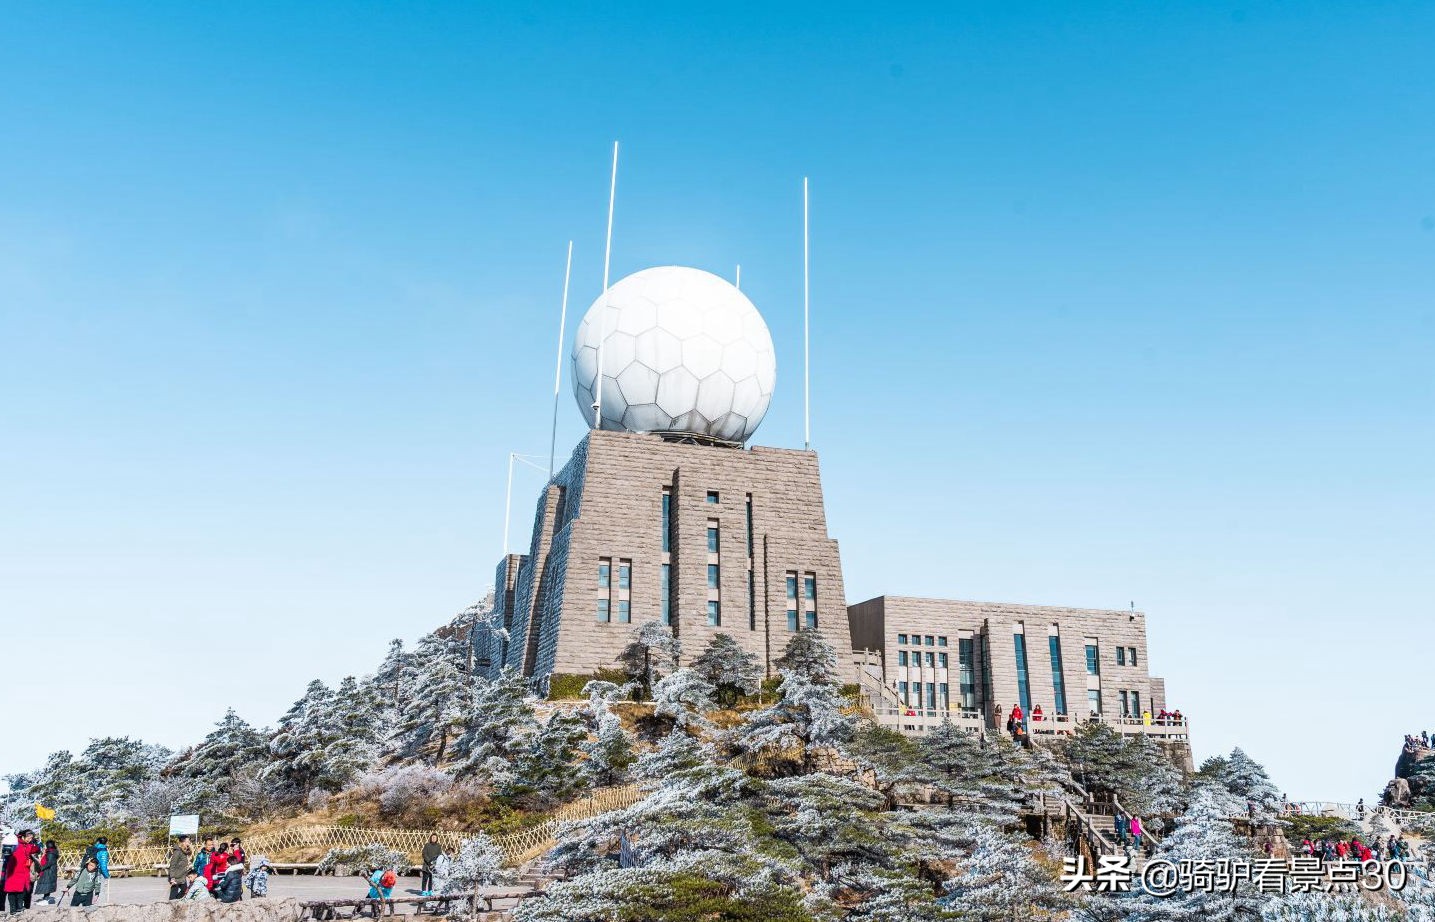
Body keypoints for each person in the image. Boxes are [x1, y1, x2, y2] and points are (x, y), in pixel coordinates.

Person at [2, 829, 40, 913]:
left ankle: (19, 906)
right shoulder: (14, 843)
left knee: (22, 889)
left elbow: (36, 850)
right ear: (23, 836)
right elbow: (6, 852)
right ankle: (12, 909)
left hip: (24, 871)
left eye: (31, 838)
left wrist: (36, 844)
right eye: (29, 838)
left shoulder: (28, 845)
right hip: (13, 870)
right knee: (12, 890)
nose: (30, 839)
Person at [167, 836, 193, 900]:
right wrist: (172, 877)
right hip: (175, 877)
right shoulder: (177, 852)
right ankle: (171, 906)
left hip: (182, 876)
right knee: (173, 894)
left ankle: (176, 902)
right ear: (183, 842)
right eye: (187, 841)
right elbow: (172, 865)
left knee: (185, 891)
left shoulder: (184, 851)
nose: (189, 842)